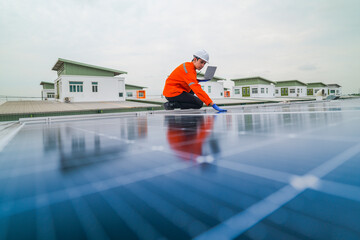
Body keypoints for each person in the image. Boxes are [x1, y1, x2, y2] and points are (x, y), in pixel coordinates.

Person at [162, 49, 227, 112]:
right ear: (195, 59)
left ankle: (178, 104)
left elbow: (186, 80)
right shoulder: (188, 69)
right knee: (199, 103)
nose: (202, 65)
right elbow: (196, 88)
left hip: (175, 90)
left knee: (193, 92)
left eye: (204, 63)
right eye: (201, 62)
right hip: (172, 93)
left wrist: (197, 80)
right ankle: (171, 105)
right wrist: (212, 104)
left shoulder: (189, 67)